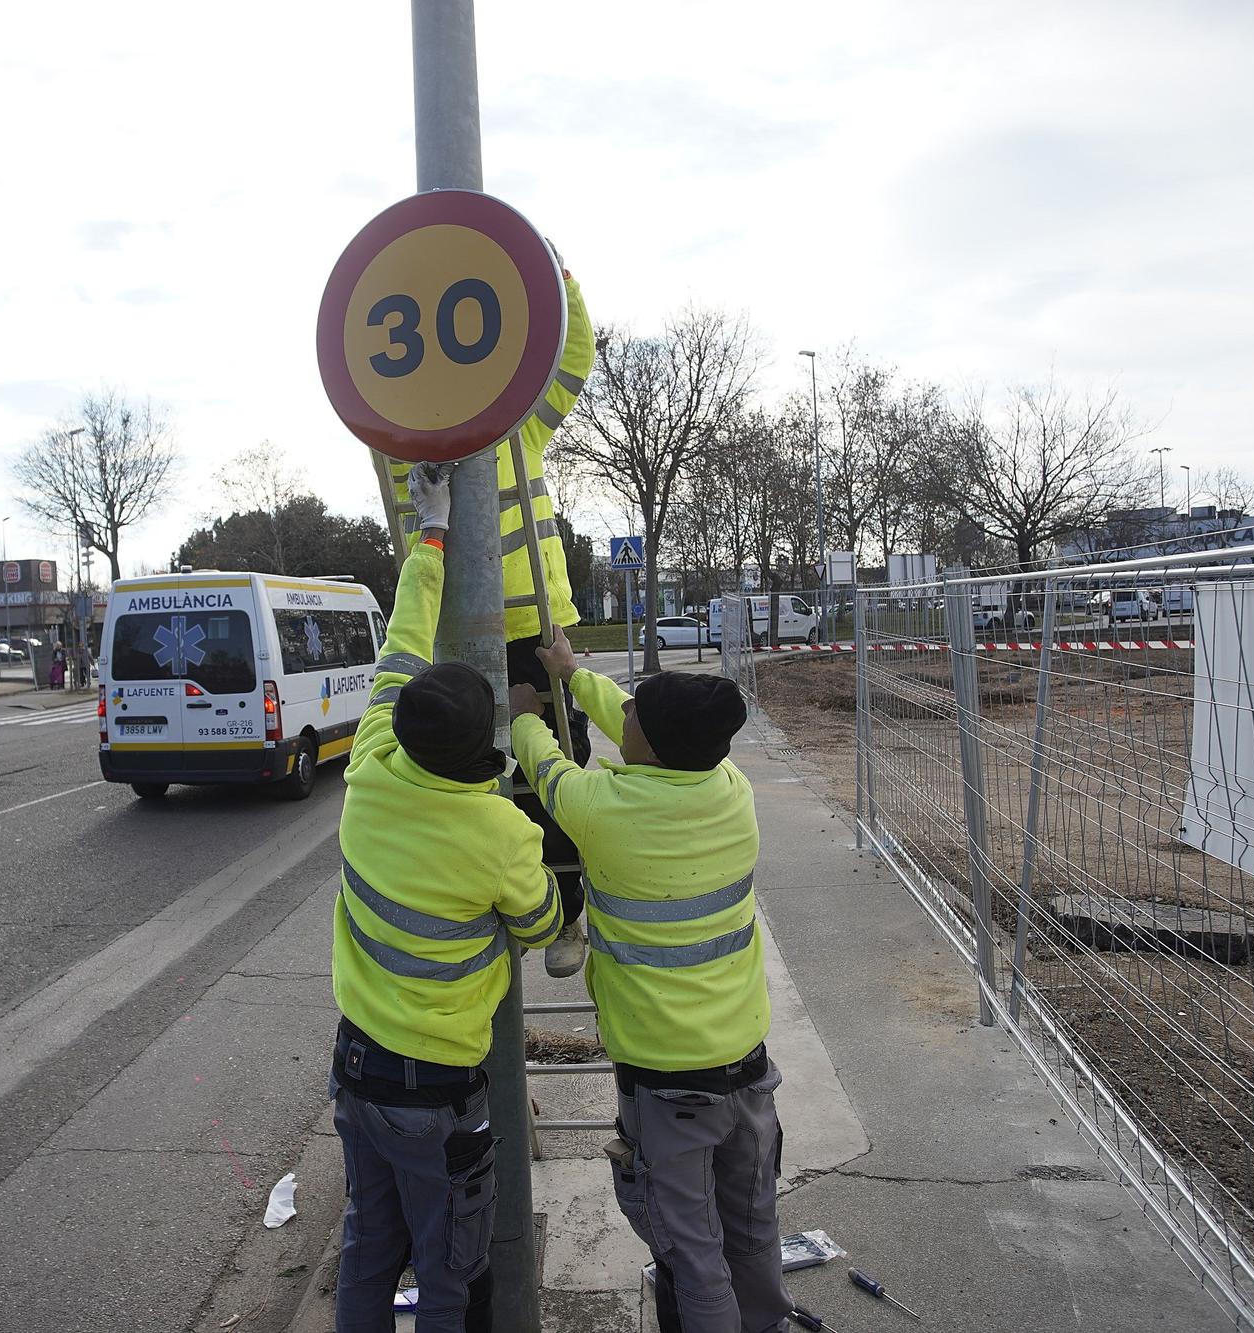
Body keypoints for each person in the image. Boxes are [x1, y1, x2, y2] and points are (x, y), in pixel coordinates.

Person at [330, 461, 564, 1333]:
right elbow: (540, 923)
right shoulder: (499, 832)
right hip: (438, 1094)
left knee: (366, 1248)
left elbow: (401, 638)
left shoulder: (368, 766)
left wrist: (431, 531)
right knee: (450, 1274)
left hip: (358, 1068)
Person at [508, 632, 789, 1333]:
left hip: (668, 1089)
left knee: (691, 1259)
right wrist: (572, 674)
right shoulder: (732, 792)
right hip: (748, 1072)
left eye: (634, 717)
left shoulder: (604, 810)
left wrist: (523, 715)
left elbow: (546, 768)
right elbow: (633, 718)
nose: (622, 718)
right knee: (751, 1234)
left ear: (653, 745)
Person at [389, 262, 596, 979]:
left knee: (556, 774)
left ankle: (566, 910)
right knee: (475, 778)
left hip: (537, 629)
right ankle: (497, 902)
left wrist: (555, 272)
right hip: (461, 638)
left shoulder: (520, 430)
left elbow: (573, 361)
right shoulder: (411, 451)